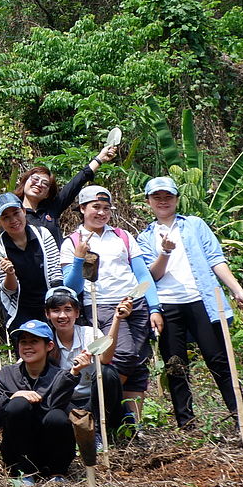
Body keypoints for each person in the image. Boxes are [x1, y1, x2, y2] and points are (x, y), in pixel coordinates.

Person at [136, 176, 243, 430]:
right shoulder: (144, 237)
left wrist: (237, 291)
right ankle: (186, 424)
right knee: (175, 366)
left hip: (201, 300)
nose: (163, 201)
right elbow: (152, 275)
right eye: (156, 197)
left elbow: (215, 259)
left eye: (168, 196)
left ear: (177, 199)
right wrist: (165, 252)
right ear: (148, 202)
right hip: (167, 305)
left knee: (218, 359)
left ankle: (242, 419)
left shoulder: (194, 225)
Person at [61, 184, 162, 433]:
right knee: (123, 354)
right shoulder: (72, 241)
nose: (101, 213)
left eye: (106, 208)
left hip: (134, 301)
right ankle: (106, 408)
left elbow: (141, 273)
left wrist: (154, 306)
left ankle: (132, 426)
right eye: (96, 207)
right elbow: (71, 287)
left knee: (139, 363)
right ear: (82, 209)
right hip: (101, 304)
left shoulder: (123, 236)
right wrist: (78, 257)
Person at [0, 320, 88, 483]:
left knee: (57, 416)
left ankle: (57, 473)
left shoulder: (59, 376)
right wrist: (13, 398)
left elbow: (56, 406)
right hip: (17, 452)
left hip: (48, 450)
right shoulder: (7, 374)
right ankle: (25, 473)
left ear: (49, 346)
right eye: (23, 341)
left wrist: (74, 373)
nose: (27, 346)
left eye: (34, 341)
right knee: (18, 404)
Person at [41, 285, 124, 443]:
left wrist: (117, 319)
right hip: (66, 402)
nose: (62, 316)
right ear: (47, 314)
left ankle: (99, 429)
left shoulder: (89, 334)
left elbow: (105, 358)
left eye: (68, 309)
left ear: (77, 312)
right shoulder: (44, 340)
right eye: (56, 310)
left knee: (107, 372)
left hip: (94, 398)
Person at [17, 137, 121, 242]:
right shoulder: (13, 210)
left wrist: (100, 158)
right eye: (35, 179)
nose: (39, 184)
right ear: (25, 181)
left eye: (45, 183)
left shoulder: (51, 209)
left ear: (48, 193)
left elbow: (76, 183)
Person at [0, 192, 63, 331]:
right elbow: (9, 291)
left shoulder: (43, 235)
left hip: (48, 305)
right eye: (6, 217)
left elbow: (55, 273)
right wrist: (9, 273)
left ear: (24, 211)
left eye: (16, 213)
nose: (13, 220)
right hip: (19, 311)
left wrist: (56, 307)